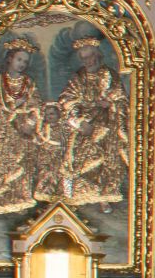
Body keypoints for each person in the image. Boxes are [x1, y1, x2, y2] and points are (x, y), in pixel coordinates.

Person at [53, 28, 130, 206]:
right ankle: (79, 193)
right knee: (77, 151)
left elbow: (121, 99)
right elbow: (67, 100)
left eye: (90, 57)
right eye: (84, 58)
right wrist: (79, 121)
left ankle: (104, 195)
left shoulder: (110, 75)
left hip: (108, 123)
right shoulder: (79, 77)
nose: (88, 61)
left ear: (98, 56)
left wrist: (110, 104)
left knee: (107, 148)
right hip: (84, 123)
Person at [0, 38, 50, 215]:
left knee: (23, 164)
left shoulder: (29, 83)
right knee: (0, 164)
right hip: (1, 133)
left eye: (25, 61)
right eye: (19, 59)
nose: (22, 64)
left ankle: (19, 201)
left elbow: (37, 105)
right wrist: (14, 107)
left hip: (23, 132)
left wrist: (29, 122)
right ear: (10, 59)